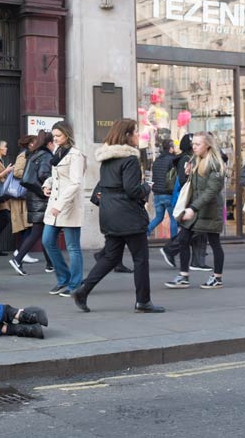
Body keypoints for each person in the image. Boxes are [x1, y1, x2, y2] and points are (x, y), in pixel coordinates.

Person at [71, 119, 164, 313]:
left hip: (109, 213)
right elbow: (132, 190)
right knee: (140, 259)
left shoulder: (107, 159)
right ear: (128, 135)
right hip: (128, 215)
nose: (139, 136)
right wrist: (147, 187)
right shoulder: (129, 159)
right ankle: (143, 301)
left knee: (111, 257)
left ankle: (83, 290)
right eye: (136, 132)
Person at [165, 132, 226, 290]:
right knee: (184, 239)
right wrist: (188, 174)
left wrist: (193, 208)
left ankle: (217, 278)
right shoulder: (195, 160)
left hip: (209, 210)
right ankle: (183, 276)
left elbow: (211, 191)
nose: (194, 146)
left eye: (198, 144)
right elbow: (191, 186)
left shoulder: (215, 164)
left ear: (208, 145)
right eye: (193, 144)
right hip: (196, 209)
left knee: (214, 243)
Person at [41, 121, 86, 298]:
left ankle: (75, 283)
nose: (55, 139)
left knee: (72, 247)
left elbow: (75, 183)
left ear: (67, 135)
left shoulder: (76, 155)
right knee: (47, 241)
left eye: (58, 135)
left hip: (69, 206)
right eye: (54, 136)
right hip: (54, 204)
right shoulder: (57, 152)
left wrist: (59, 205)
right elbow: (55, 177)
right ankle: (63, 278)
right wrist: (47, 184)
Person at [9, 130, 54, 276]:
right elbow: (43, 174)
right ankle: (18, 259)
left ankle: (50, 264)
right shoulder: (46, 155)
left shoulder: (33, 154)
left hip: (33, 196)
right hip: (41, 197)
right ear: (50, 143)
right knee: (38, 231)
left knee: (43, 230)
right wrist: (49, 187)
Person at [8, 135, 35, 261]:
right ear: (29, 144)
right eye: (35, 142)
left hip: (26, 195)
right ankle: (21, 253)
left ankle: (22, 252)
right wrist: (30, 175)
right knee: (26, 225)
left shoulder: (29, 154)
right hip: (21, 196)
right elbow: (17, 171)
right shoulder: (23, 155)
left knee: (28, 225)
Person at [147, 139, 178, 238]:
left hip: (157, 194)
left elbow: (154, 177)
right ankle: (174, 242)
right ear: (171, 148)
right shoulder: (172, 160)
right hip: (168, 193)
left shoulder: (157, 160)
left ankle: (144, 234)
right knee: (173, 218)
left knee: (158, 217)